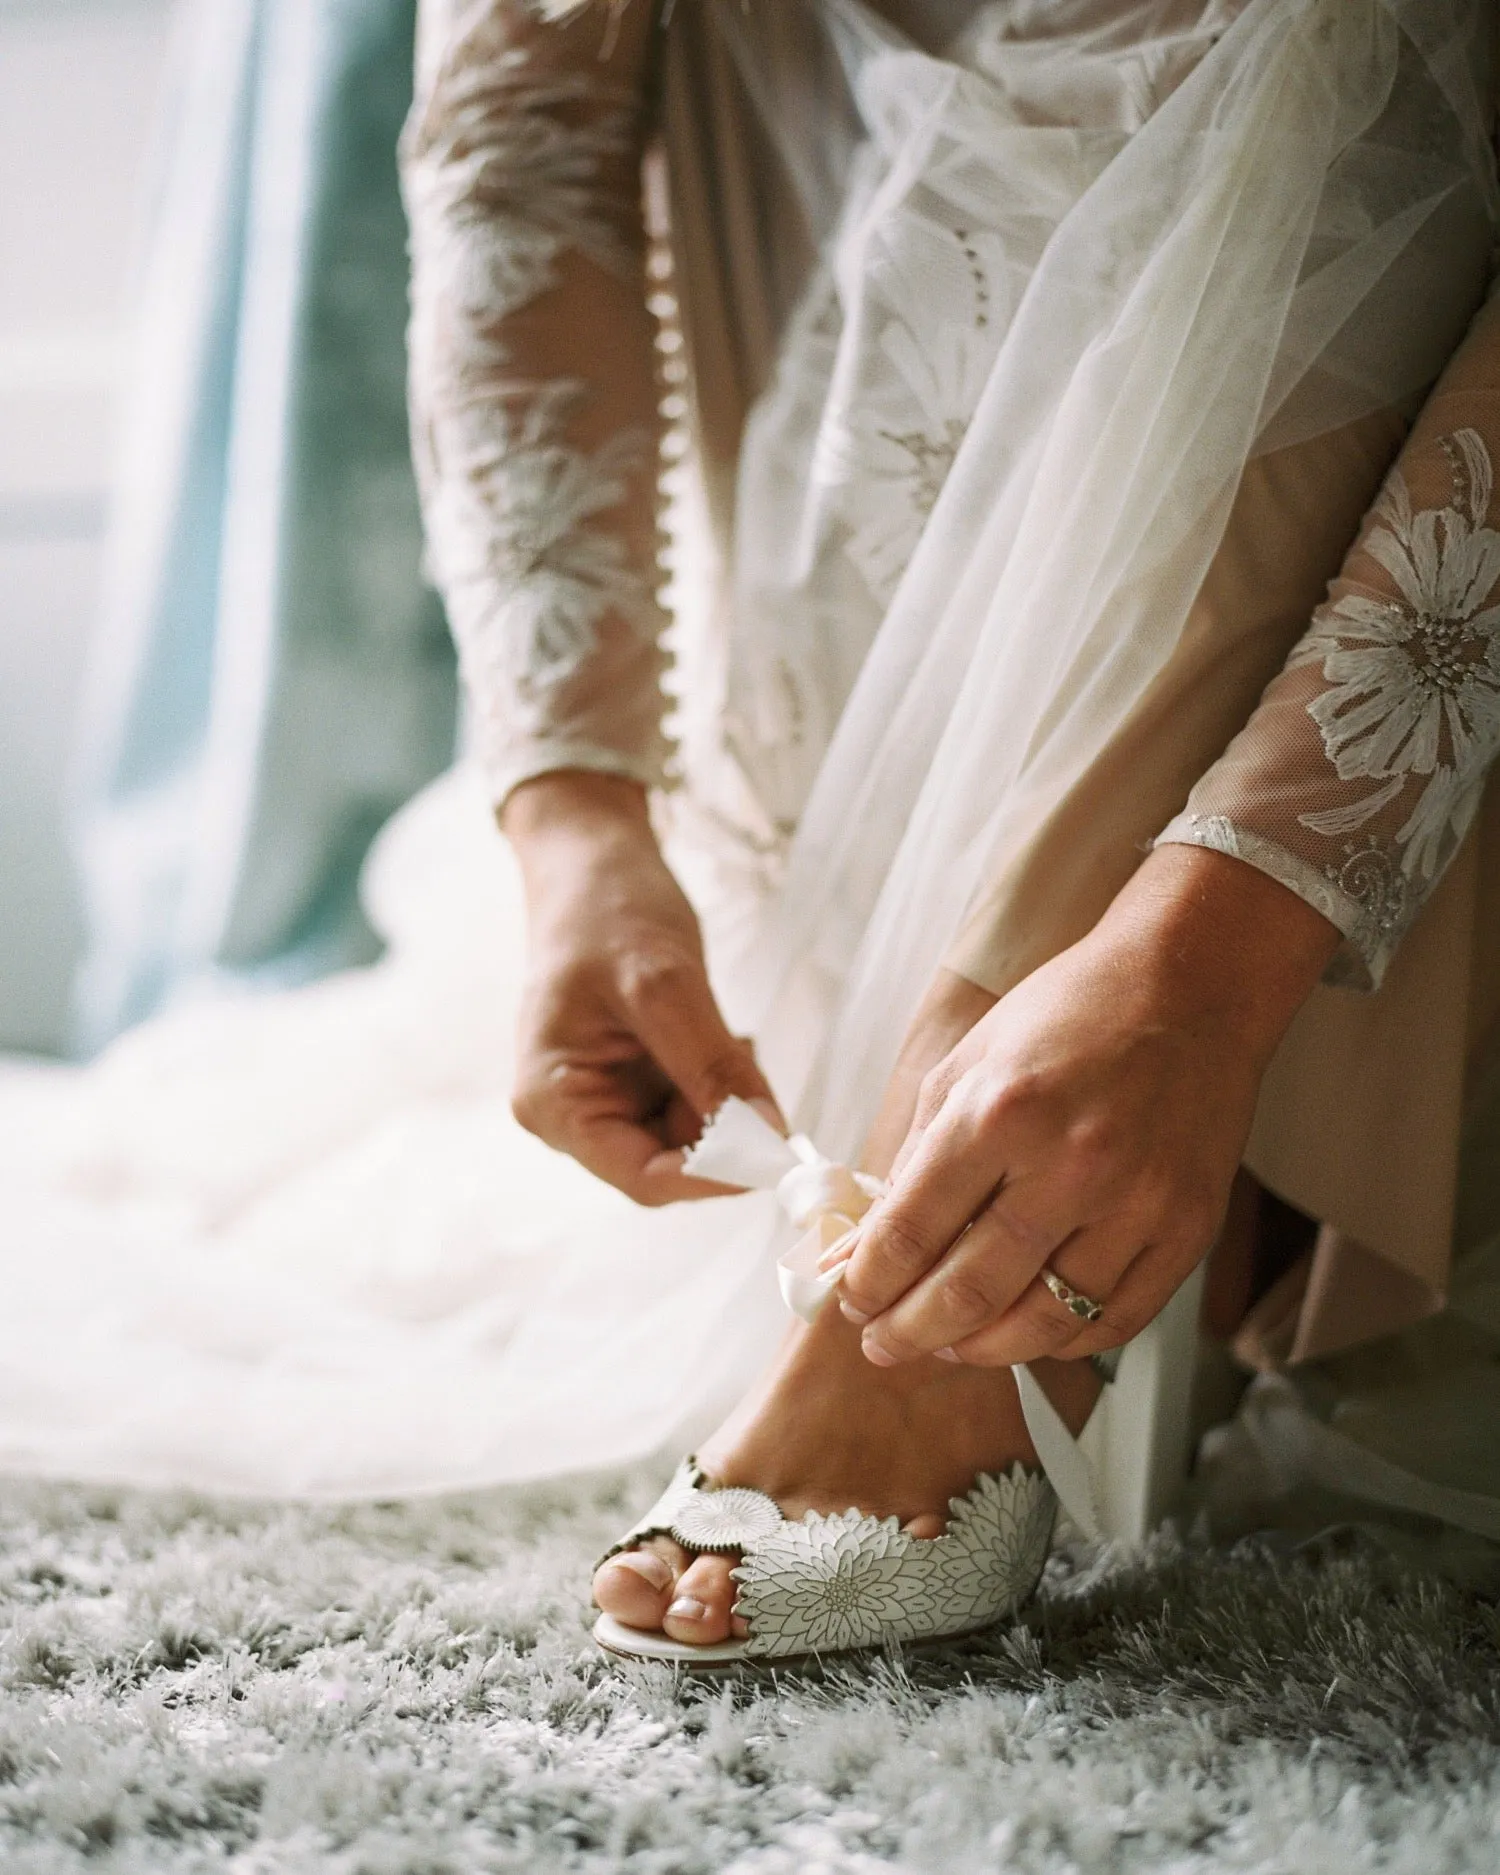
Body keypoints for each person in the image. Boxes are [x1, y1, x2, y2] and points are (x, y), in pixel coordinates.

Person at [399, 0, 1500, 1658]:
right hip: (854, 551)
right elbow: (518, 145)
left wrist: (1216, 947)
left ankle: (970, 1246)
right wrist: (580, 821)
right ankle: (983, 1201)